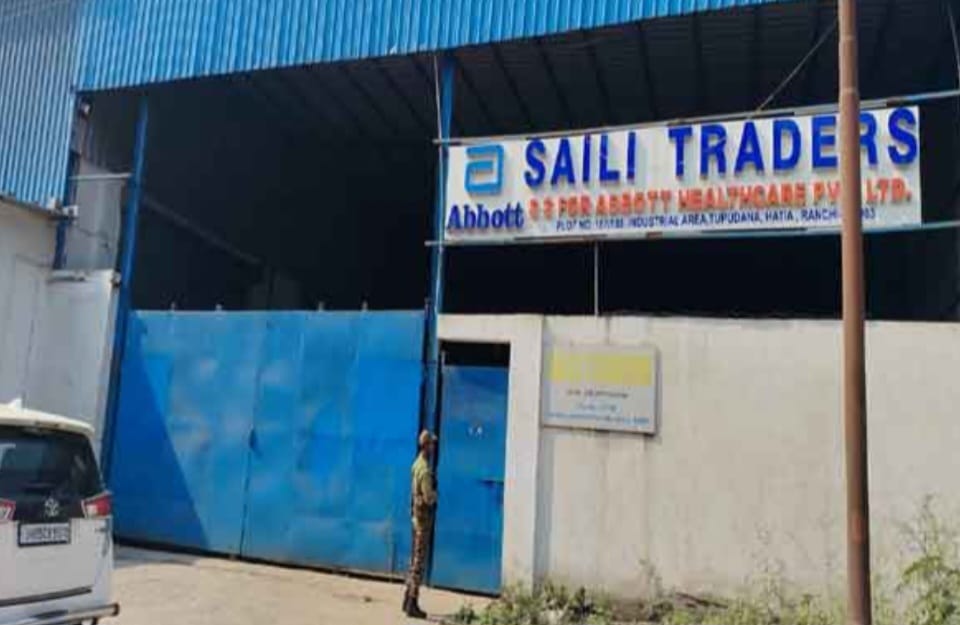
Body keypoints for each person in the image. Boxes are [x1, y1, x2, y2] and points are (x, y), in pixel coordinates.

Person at [403, 429, 437, 619]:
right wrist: (435, 495)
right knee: (419, 562)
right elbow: (428, 497)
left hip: (415, 518)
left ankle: (406, 598)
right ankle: (412, 603)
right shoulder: (424, 470)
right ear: (426, 446)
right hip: (423, 520)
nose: (433, 447)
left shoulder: (416, 464)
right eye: (431, 444)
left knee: (413, 559)